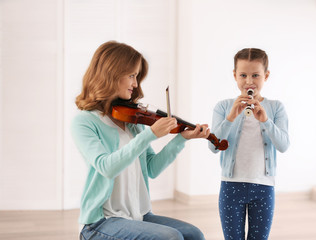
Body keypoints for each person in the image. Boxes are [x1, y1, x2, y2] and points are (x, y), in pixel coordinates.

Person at [71, 41, 210, 240]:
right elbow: (106, 167)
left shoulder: (132, 121)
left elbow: (152, 168)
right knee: (171, 238)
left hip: (138, 215)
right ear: (111, 74)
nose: (136, 84)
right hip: (101, 222)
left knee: (193, 234)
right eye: (132, 76)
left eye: (136, 77)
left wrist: (181, 139)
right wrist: (150, 135)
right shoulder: (84, 122)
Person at [208, 48, 290, 240]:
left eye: (255, 75)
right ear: (235, 75)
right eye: (243, 75)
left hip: (263, 188)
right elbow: (213, 146)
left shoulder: (276, 108)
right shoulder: (223, 107)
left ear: (266, 75)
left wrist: (265, 121)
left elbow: (284, 145)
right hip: (231, 187)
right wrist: (230, 117)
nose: (249, 81)